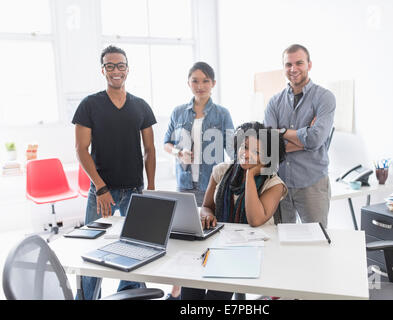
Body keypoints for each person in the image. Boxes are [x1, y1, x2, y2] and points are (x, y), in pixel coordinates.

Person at [72, 45, 157, 300]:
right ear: (103, 70)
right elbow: (81, 149)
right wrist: (100, 187)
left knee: (138, 249)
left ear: (128, 70)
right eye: (110, 65)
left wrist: (151, 187)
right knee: (92, 252)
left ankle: (128, 295)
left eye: (120, 65)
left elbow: (150, 150)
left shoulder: (140, 106)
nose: (116, 70)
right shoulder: (89, 105)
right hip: (101, 192)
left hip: (134, 191)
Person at [180, 121, 288, 300]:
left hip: (253, 249)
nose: (246, 154)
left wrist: (250, 175)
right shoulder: (222, 171)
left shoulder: (274, 184)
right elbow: (207, 206)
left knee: (217, 289)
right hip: (219, 243)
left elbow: (255, 219)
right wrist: (207, 214)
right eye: (244, 147)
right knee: (190, 282)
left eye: (256, 152)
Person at [163, 61, 234, 299]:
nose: (200, 85)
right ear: (188, 83)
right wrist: (178, 153)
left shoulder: (222, 114)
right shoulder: (178, 112)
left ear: (213, 83)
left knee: (211, 239)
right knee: (186, 241)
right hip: (185, 185)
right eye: (195, 80)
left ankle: (211, 284)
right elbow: (167, 143)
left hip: (210, 187)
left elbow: (233, 150)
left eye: (205, 81)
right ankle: (182, 285)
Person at [264, 44, 336, 227]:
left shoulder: (324, 98)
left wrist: (281, 132)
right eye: (288, 64)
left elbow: (317, 138)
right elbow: (270, 147)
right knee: (281, 242)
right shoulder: (274, 102)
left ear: (309, 65)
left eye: (299, 63)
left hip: (312, 184)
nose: (293, 69)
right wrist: (306, 139)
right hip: (279, 185)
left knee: (316, 243)